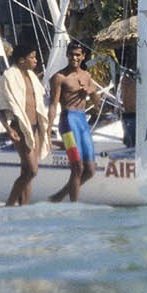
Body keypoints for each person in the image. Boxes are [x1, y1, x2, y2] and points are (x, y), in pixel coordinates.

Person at [0, 40, 48, 206]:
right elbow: (0, 107)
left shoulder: (32, 77)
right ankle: (9, 204)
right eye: (32, 58)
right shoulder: (8, 77)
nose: (36, 61)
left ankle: (24, 207)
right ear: (21, 60)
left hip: (36, 127)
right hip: (20, 127)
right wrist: (8, 129)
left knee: (26, 171)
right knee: (32, 170)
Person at [47, 41, 101, 203]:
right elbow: (53, 104)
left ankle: (60, 195)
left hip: (82, 122)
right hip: (67, 122)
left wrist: (91, 92)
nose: (74, 58)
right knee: (77, 166)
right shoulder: (59, 77)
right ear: (67, 55)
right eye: (71, 54)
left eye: (78, 55)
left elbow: (97, 103)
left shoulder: (86, 76)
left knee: (90, 170)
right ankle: (74, 205)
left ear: (83, 56)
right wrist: (48, 128)